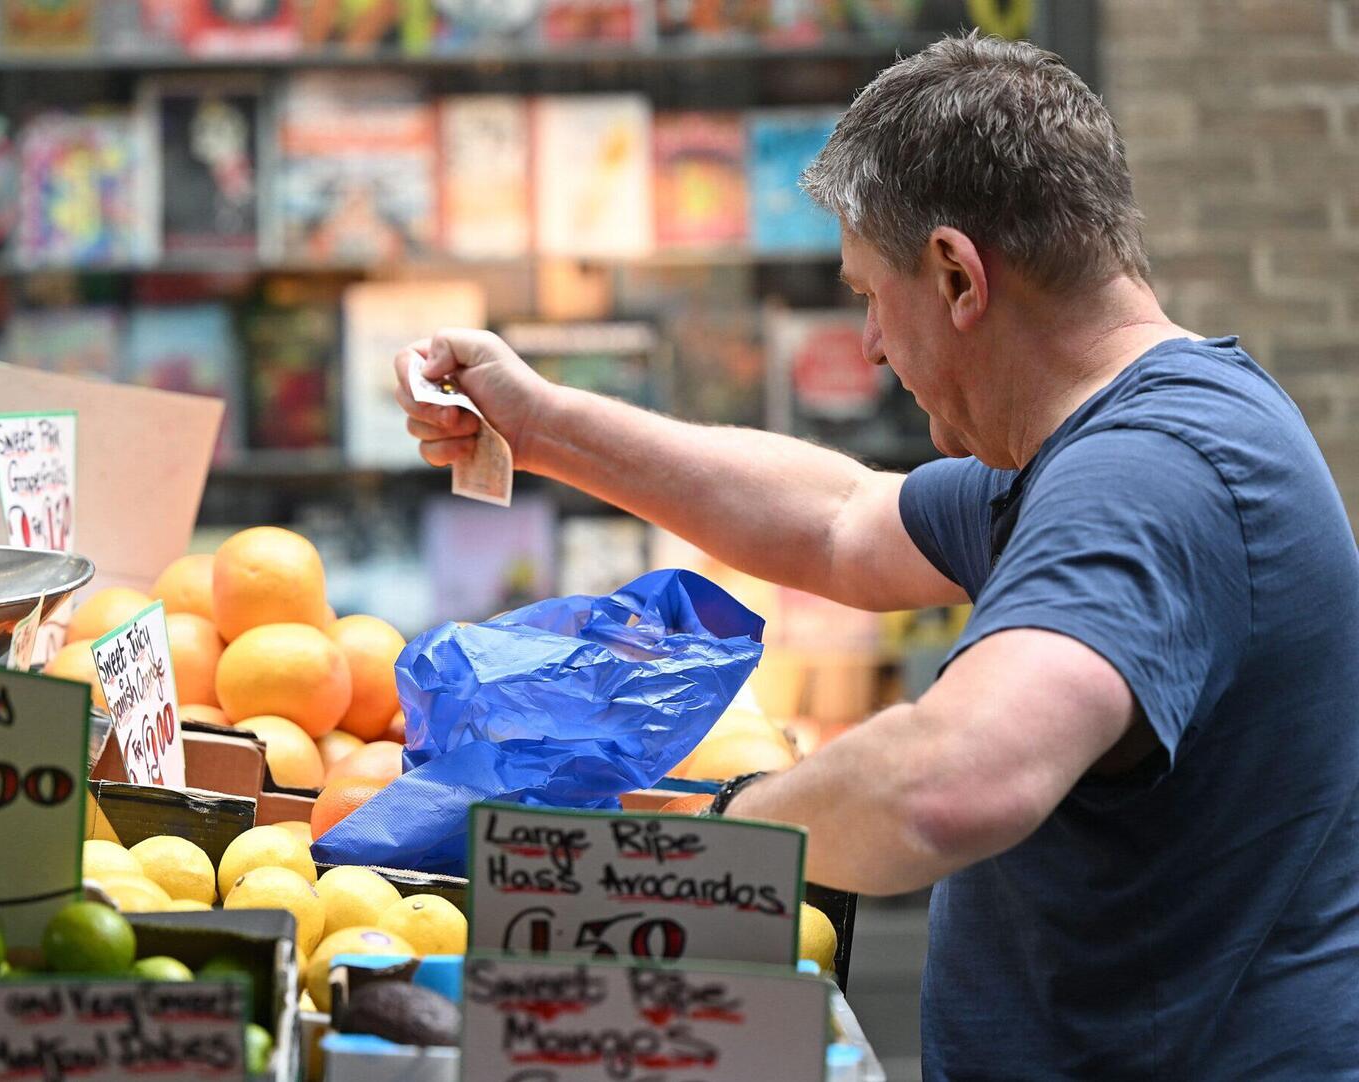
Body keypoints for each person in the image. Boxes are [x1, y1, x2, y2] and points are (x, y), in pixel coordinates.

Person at [394, 34, 1359, 1080]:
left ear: (955, 274)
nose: (868, 347)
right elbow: (839, 520)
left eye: (866, 292)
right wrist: (539, 425)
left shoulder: (1144, 482)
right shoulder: (1122, 443)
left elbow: (947, 782)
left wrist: (693, 840)